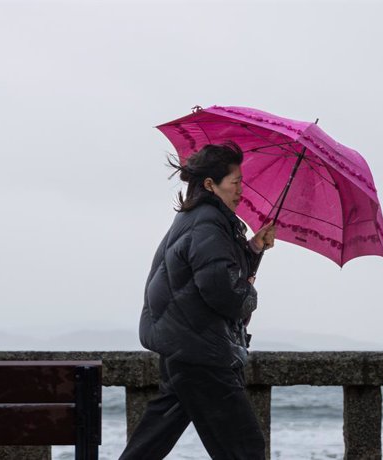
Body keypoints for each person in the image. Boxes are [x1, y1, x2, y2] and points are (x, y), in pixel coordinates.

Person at [119, 142, 275, 460]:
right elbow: (223, 292)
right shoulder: (209, 223)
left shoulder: (198, 218)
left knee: (148, 446)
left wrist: (254, 249)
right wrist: (249, 295)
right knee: (245, 448)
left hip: (184, 346)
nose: (241, 191)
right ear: (210, 184)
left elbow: (213, 273)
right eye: (235, 182)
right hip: (202, 352)